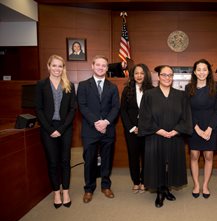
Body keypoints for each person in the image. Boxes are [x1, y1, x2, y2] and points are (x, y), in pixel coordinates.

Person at [138, 65, 192, 208]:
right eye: (164, 75)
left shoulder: (181, 95)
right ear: (159, 77)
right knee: (157, 162)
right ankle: (160, 191)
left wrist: (176, 130)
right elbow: (144, 117)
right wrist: (158, 130)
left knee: (171, 162)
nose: (167, 78)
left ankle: (167, 188)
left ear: (173, 77)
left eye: (170, 75)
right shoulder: (149, 95)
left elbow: (186, 116)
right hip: (155, 135)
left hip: (175, 136)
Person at [77, 55, 120, 203]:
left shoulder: (112, 87)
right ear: (92, 66)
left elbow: (116, 107)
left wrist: (106, 122)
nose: (101, 67)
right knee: (89, 161)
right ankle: (89, 189)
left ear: (107, 68)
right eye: (98, 65)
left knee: (107, 160)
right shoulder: (83, 85)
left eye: (104, 65)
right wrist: (96, 122)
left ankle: (105, 186)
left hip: (108, 130)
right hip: (90, 130)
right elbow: (82, 106)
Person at [36, 54, 77, 208]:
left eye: (60, 66)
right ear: (49, 67)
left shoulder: (69, 85)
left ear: (63, 68)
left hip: (65, 128)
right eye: (54, 65)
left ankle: (65, 191)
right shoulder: (41, 85)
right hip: (47, 128)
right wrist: (49, 129)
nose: (57, 69)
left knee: (65, 161)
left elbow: (73, 109)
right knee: (53, 162)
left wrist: (61, 129)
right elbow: (38, 109)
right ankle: (56, 192)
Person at [185, 59, 217, 199]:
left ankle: (205, 185)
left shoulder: (215, 87)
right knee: (194, 155)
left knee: (209, 156)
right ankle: (196, 185)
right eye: (198, 69)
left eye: (204, 69)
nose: (201, 72)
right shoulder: (189, 88)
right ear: (194, 72)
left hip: (210, 127)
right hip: (194, 126)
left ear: (208, 71)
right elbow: (187, 110)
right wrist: (197, 129)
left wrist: (210, 129)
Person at [120, 63, 154, 193]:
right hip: (131, 131)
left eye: (141, 73)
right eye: (136, 73)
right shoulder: (127, 90)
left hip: (147, 130)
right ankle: (135, 181)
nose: (139, 76)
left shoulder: (152, 90)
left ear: (146, 74)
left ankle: (144, 181)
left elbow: (154, 112)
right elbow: (123, 111)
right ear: (132, 75)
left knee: (146, 156)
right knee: (133, 156)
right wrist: (132, 128)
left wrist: (145, 127)